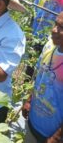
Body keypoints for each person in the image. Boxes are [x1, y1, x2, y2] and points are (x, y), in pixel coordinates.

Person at [22, 12, 63, 143]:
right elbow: (38, 76)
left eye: (62, 27)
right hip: (33, 123)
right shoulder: (49, 46)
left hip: (51, 135)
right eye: (56, 24)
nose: (54, 30)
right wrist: (29, 100)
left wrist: (57, 136)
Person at [26, 0, 63, 80]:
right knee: (30, 66)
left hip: (53, 40)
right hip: (37, 36)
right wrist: (31, 33)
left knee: (45, 68)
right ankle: (25, 89)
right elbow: (34, 13)